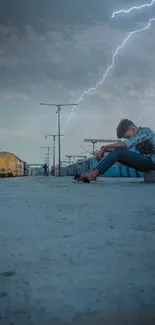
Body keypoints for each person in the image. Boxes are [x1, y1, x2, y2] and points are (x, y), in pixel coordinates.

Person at [77, 119, 155, 183]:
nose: (128, 139)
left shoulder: (146, 132)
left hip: (152, 161)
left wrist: (105, 148)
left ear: (133, 129)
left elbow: (126, 144)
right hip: (147, 163)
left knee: (119, 151)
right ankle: (92, 173)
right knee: (117, 152)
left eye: (127, 137)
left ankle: (93, 175)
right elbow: (125, 150)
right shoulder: (137, 138)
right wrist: (105, 149)